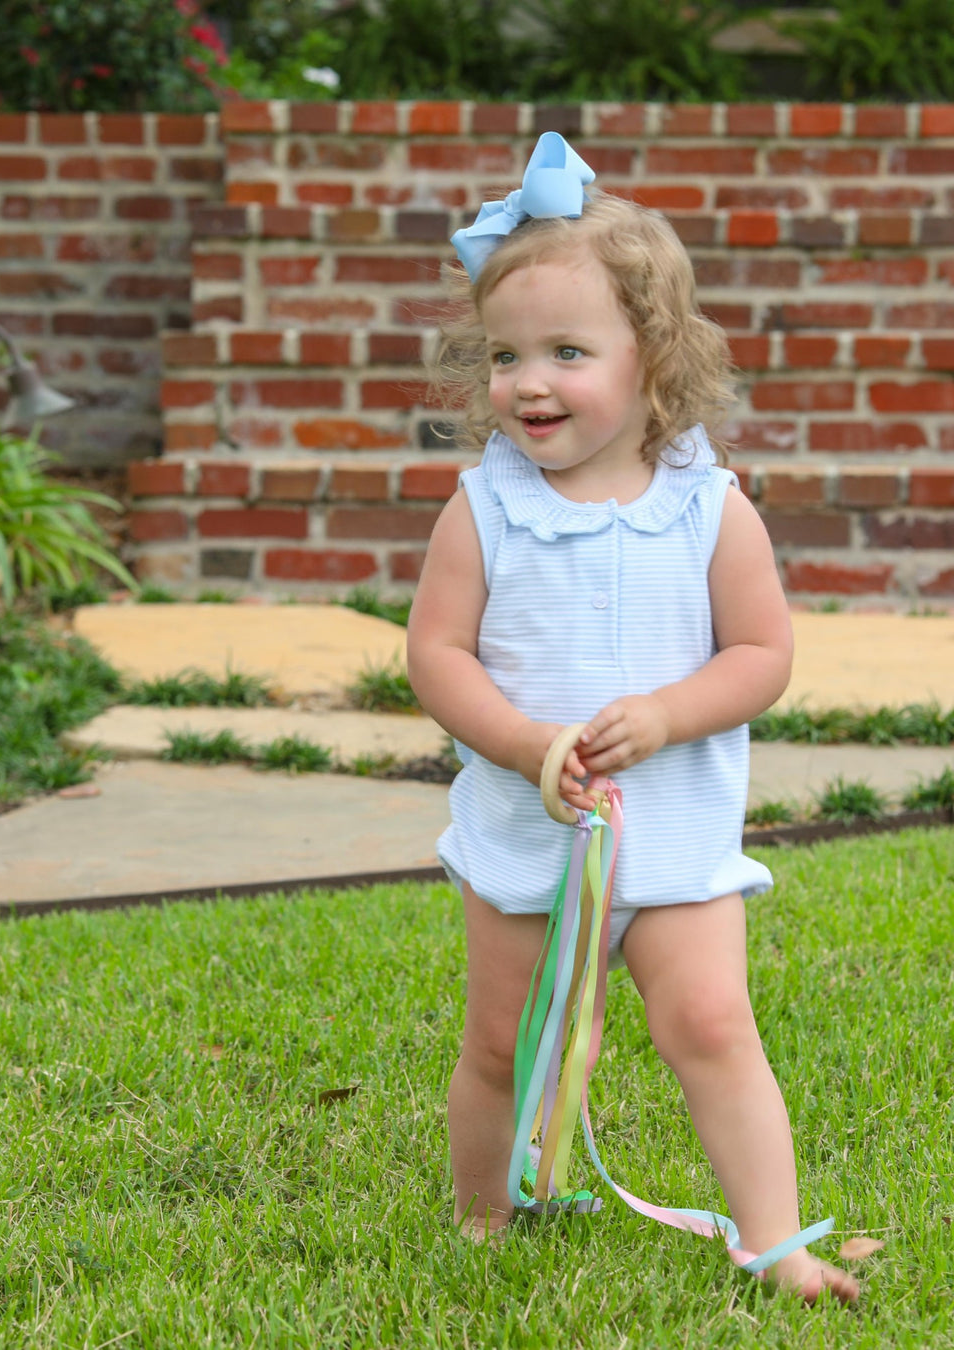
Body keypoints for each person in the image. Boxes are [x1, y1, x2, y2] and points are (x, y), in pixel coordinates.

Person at [406, 133, 859, 1305]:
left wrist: (666, 714)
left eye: (567, 351)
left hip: (671, 835)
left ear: (654, 361)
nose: (529, 382)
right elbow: (435, 653)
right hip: (527, 827)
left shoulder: (710, 508)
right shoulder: (486, 510)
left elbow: (763, 655)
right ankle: (486, 1216)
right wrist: (520, 744)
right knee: (514, 1042)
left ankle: (776, 1243)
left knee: (710, 1023)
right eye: (506, 356)